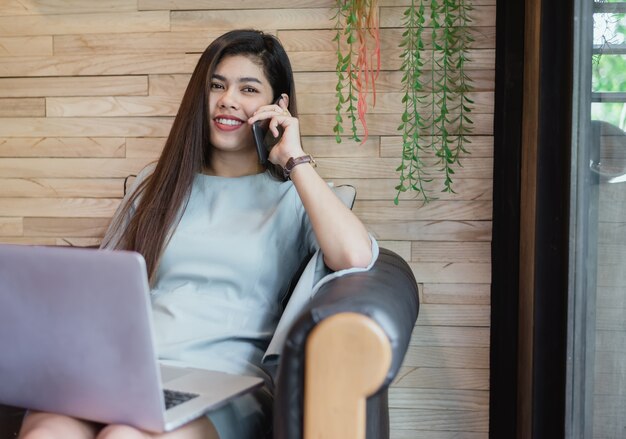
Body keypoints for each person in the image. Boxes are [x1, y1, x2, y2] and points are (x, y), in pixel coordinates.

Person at [18, 29, 375, 439]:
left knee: (124, 437)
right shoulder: (158, 184)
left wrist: (293, 158)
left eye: (248, 88)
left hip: (223, 383)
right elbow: (103, 288)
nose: (228, 100)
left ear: (279, 105)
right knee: (48, 432)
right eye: (217, 86)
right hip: (127, 369)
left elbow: (354, 256)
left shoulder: (296, 196)